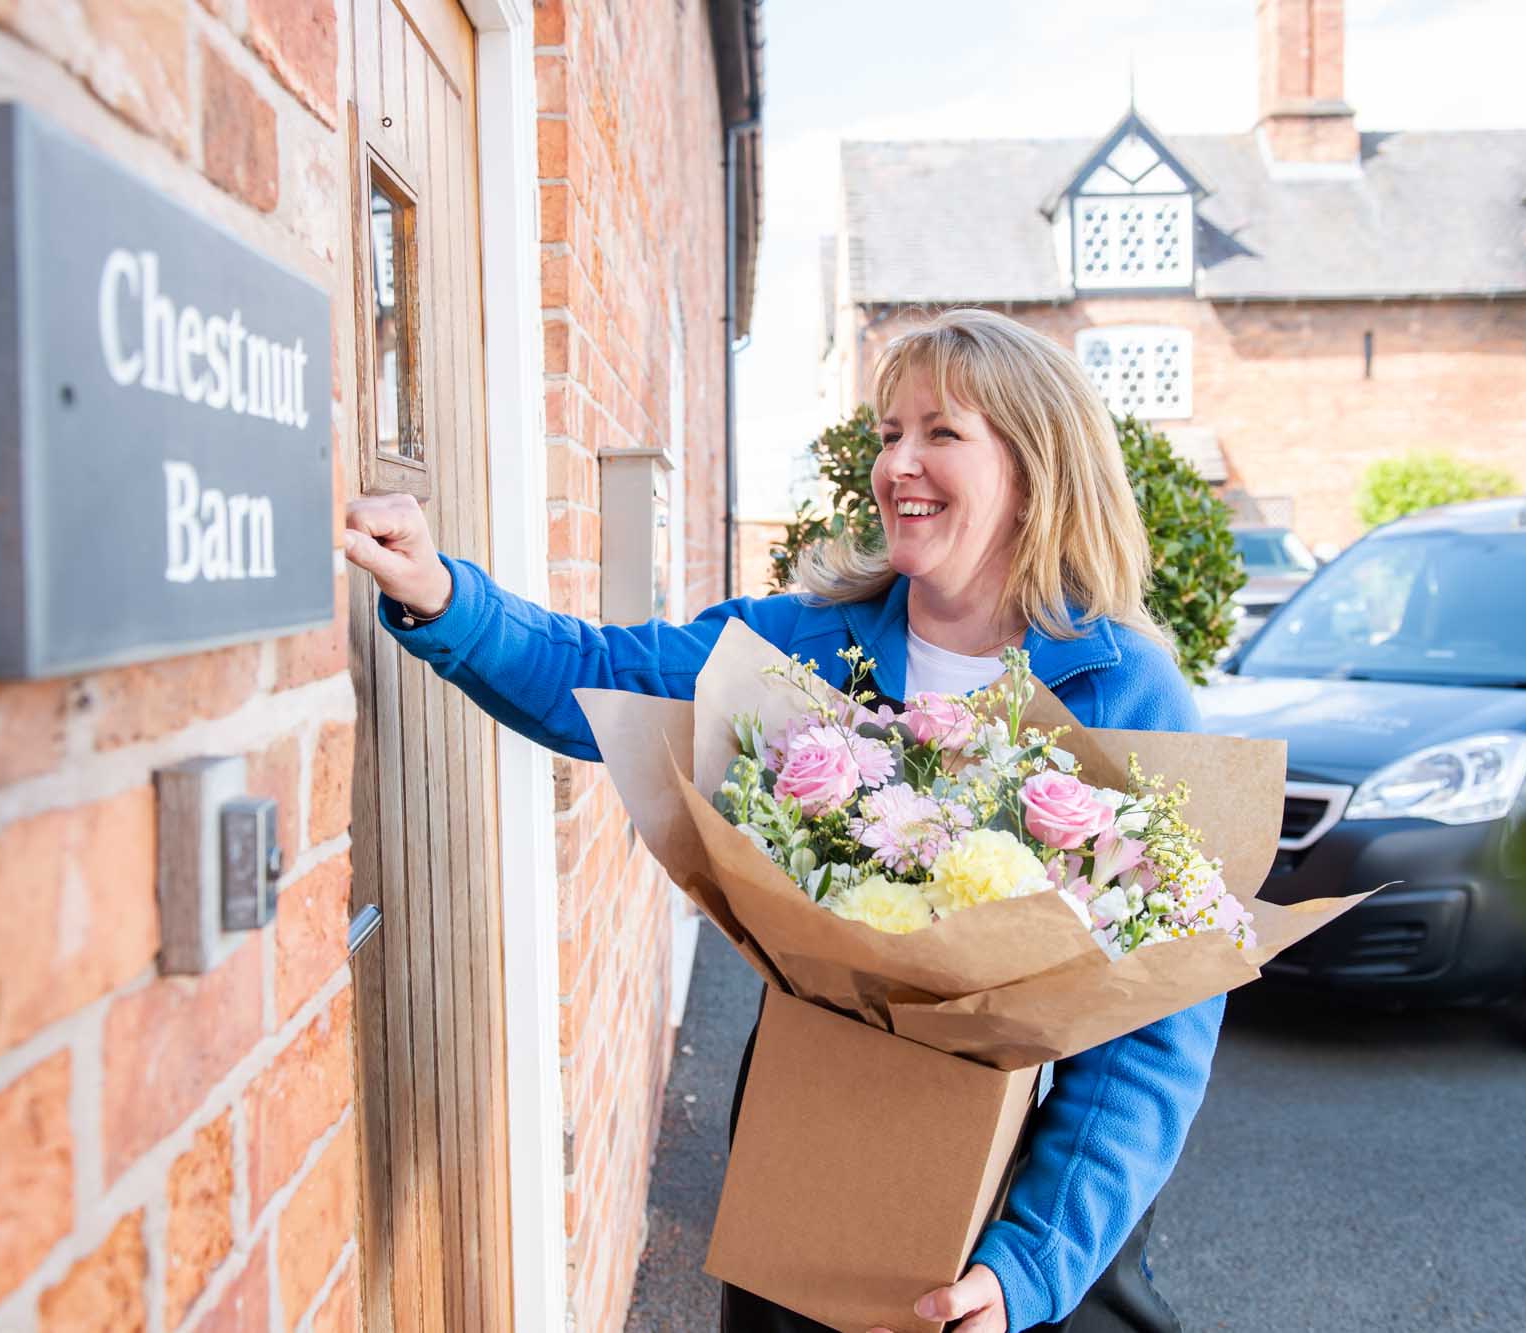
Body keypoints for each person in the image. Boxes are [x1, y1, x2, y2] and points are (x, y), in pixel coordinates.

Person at [343, 307, 1221, 1332]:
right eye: (889, 432)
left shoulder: (1124, 689)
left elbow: (1151, 1030)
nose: (898, 462)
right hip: (813, 1163)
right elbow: (603, 674)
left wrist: (1028, 1264)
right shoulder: (803, 644)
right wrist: (444, 594)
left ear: (1036, 465)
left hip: (1020, 1206)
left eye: (941, 432)